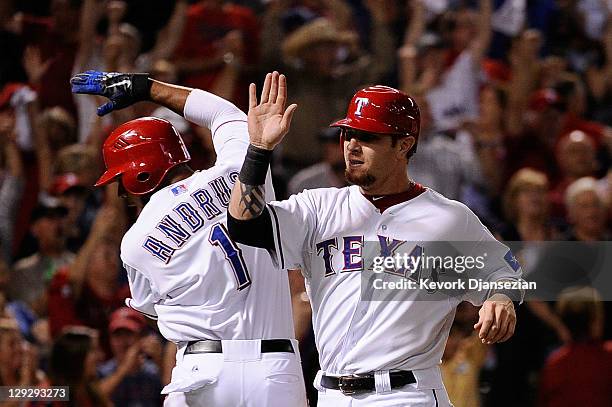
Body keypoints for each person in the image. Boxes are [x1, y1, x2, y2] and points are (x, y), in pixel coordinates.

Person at [227, 79, 523, 406]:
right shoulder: (317, 207)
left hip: (408, 394)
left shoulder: (448, 218)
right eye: (347, 134)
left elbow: (508, 272)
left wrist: (500, 296)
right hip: (332, 395)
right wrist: (258, 150)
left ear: (403, 145)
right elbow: (245, 226)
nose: (351, 145)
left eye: (367, 137)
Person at [70, 70, 307, 406]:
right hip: (274, 369)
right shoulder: (242, 169)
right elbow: (223, 113)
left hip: (202, 369)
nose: (122, 192)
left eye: (122, 181)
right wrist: (147, 87)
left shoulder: (135, 242)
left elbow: (151, 310)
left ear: (141, 173)